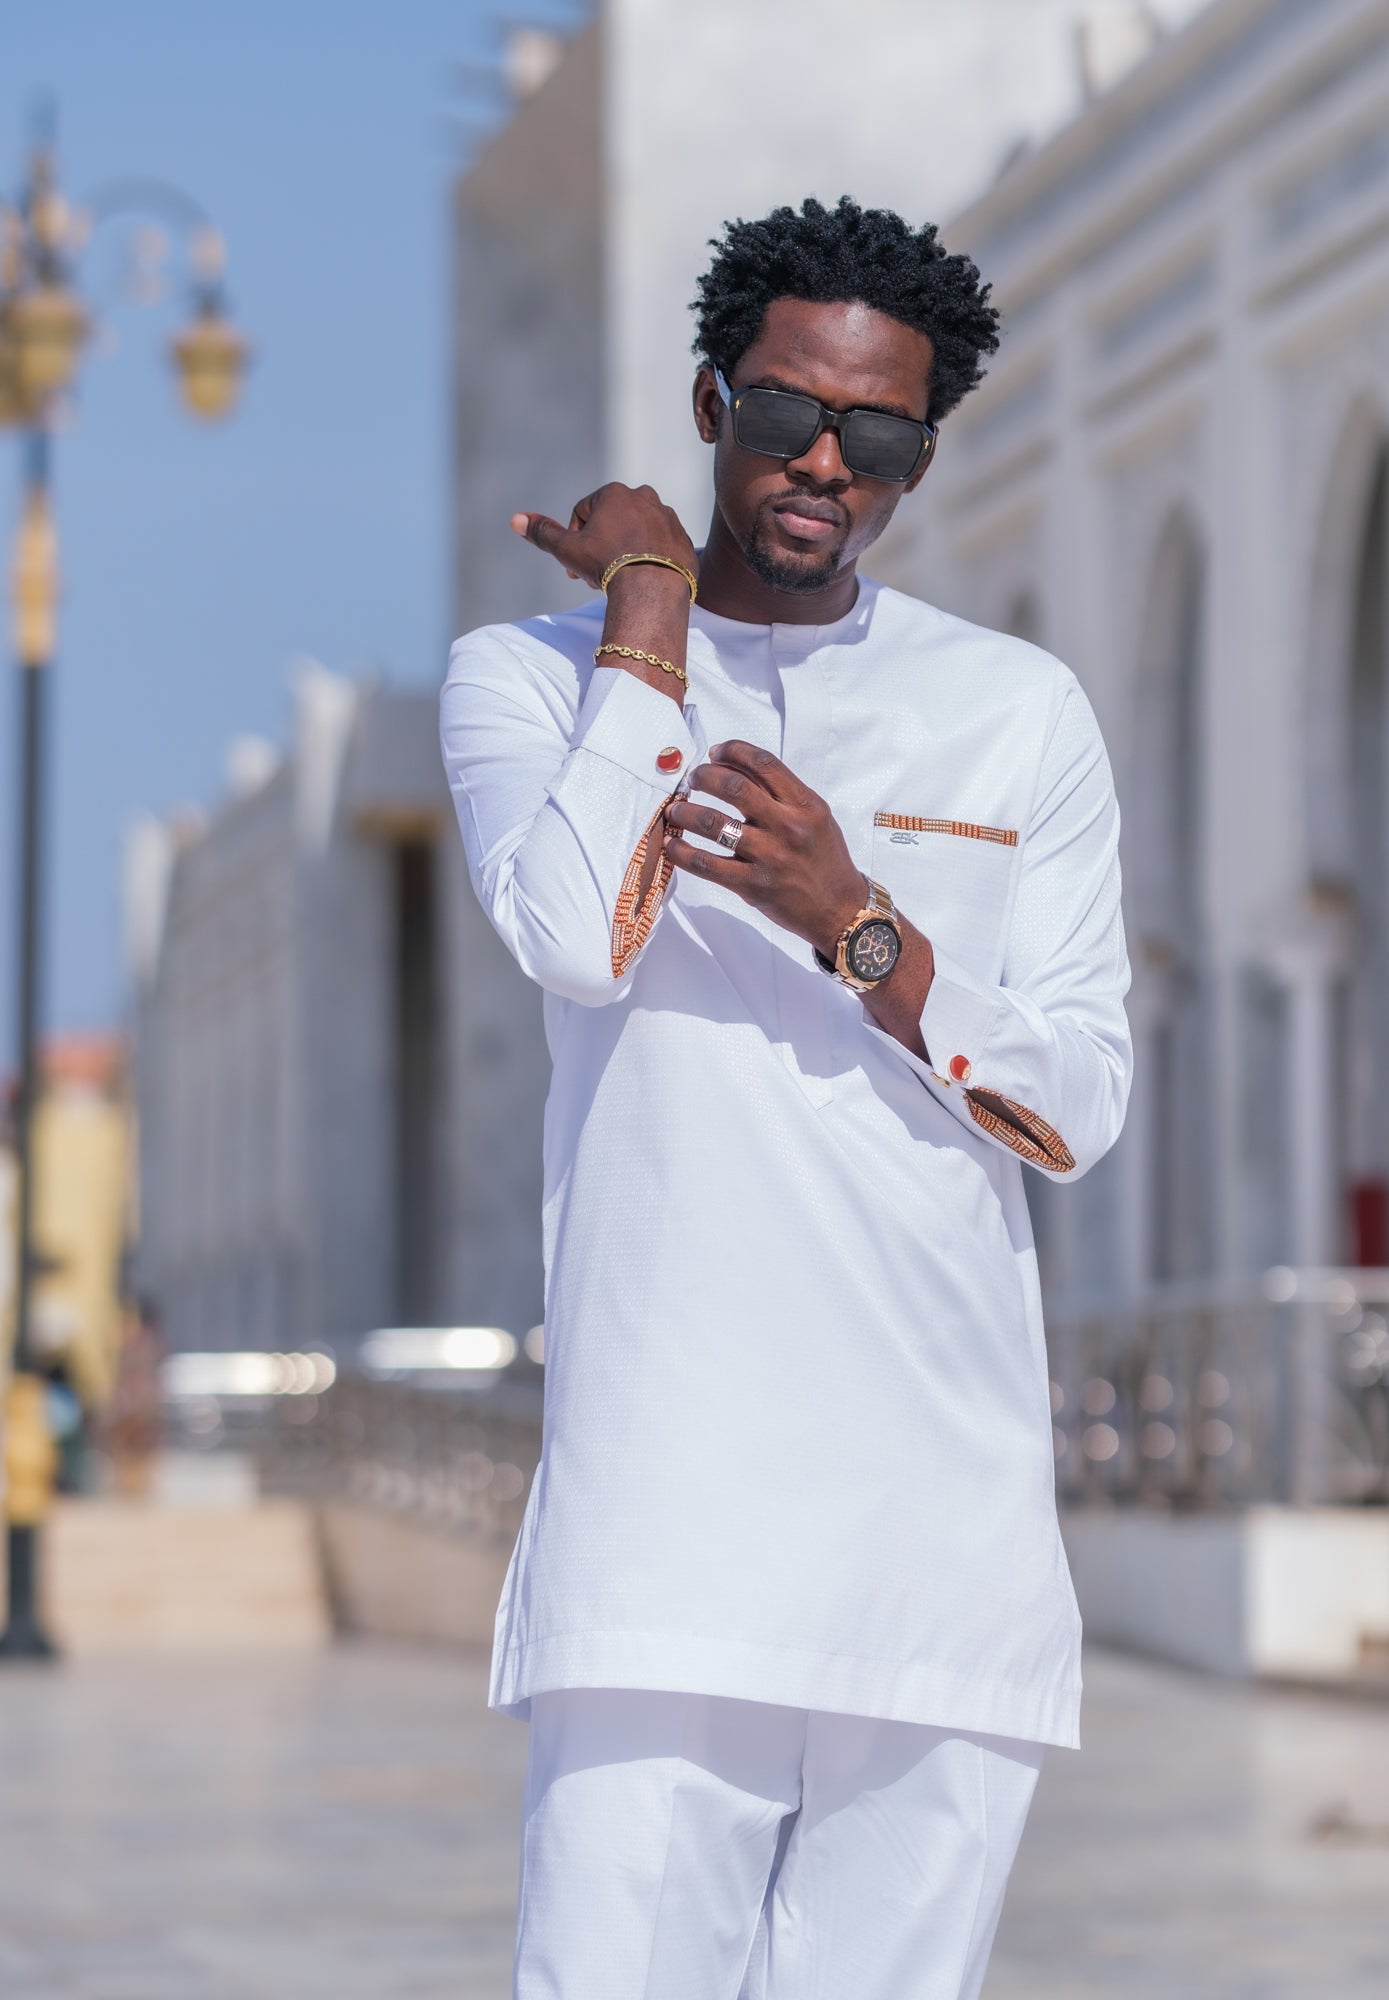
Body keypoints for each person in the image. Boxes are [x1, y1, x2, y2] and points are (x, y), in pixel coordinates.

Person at [440, 195, 1132, 2000]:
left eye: (875, 437)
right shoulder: (526, 680)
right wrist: (644, 616)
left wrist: (857, 927)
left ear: (918, 460)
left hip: (940, 1538)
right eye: (782, 414)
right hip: (659, 1528)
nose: (823, 463)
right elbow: (575, 940)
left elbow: (1077, 1100)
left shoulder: (1015, 711)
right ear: (709, 405)